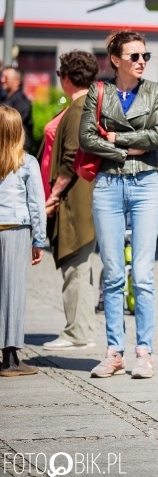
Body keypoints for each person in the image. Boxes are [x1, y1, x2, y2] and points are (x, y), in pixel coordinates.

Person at [79, 30, 158, 379]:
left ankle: (144, 351)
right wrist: (125, 148)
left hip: (146, 184)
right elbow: (86, 137)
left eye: (145, 55)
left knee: (142, 275)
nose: (142, 61)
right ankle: (114, 352)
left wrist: (115, 136)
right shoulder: (98, 91)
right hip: (109, 185)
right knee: (114, 274)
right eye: (134, 56)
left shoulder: (156, 92)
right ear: (116, 60)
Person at [42, 51, 100, 351]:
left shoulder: (79, 107)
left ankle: (77, 333)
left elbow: (70, 160)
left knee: (75, 266)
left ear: (65, 78)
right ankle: (82, 330)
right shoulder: (86, 104)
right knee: (80, 267)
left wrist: (52, 197)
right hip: (83, 197)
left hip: (76, 199)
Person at [0, 105, 46, 376]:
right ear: (19, 131)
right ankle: (11, 358)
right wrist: (38, 240)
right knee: (13, 292)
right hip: (16, 230)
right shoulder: (27, 162)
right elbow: (37, 205)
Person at [2, 67, 34, 152]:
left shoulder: (22, 102)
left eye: (6, 78)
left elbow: (11, 126)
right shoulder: (4, 98)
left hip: (17, 151)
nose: (2, 80)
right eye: (2, 77)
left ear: (17, 81)